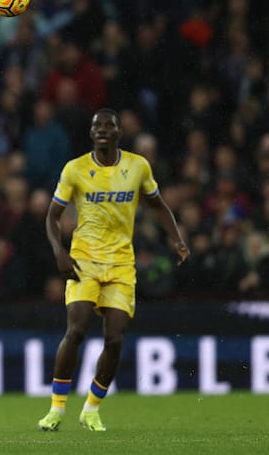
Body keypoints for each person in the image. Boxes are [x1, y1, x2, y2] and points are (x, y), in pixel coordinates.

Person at [37, 108, 190, 432]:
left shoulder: (137, 166)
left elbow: (158, 204)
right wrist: (59, 252)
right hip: (84, 260)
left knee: (115, 339)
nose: (103, 129)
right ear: (91, 133)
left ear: (119, 132)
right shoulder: (75, 169)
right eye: (97, 125)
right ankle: (56, 409)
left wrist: (176, 239)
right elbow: (52, 216)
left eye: (109, 125)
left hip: (121, 263)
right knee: (76, 330)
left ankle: (91, 409)